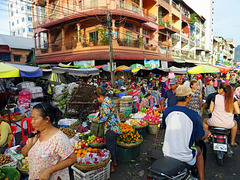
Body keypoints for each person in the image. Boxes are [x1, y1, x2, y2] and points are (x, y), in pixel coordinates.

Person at [162, 85, 210, 180]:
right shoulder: (193, 115)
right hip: (185, 156)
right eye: (190, 96)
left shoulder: (166, 111)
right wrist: (207, 133)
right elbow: (200, 136)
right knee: (199, 151)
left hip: (167, 153)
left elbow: (165, 127)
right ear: (188, 96)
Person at [21, 102, 76, 180]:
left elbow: (72, 159)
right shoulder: (36, 134)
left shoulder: (59, 139)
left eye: (35, 119)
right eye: (31, 118)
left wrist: (49, 170)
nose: (31, 122)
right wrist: (29, 144)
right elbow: (24, 153)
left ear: (47, 119)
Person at [93, 88, 122, 173]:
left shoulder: (105, 104)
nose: (98, 100)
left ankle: (111, 166)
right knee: (114, 146)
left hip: (110, 128)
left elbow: (104, 118)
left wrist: (94, 119)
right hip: (116, 126)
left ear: (100, 96)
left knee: (110, 148)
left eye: (97, 98)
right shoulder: (109, 100)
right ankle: (115, 162)